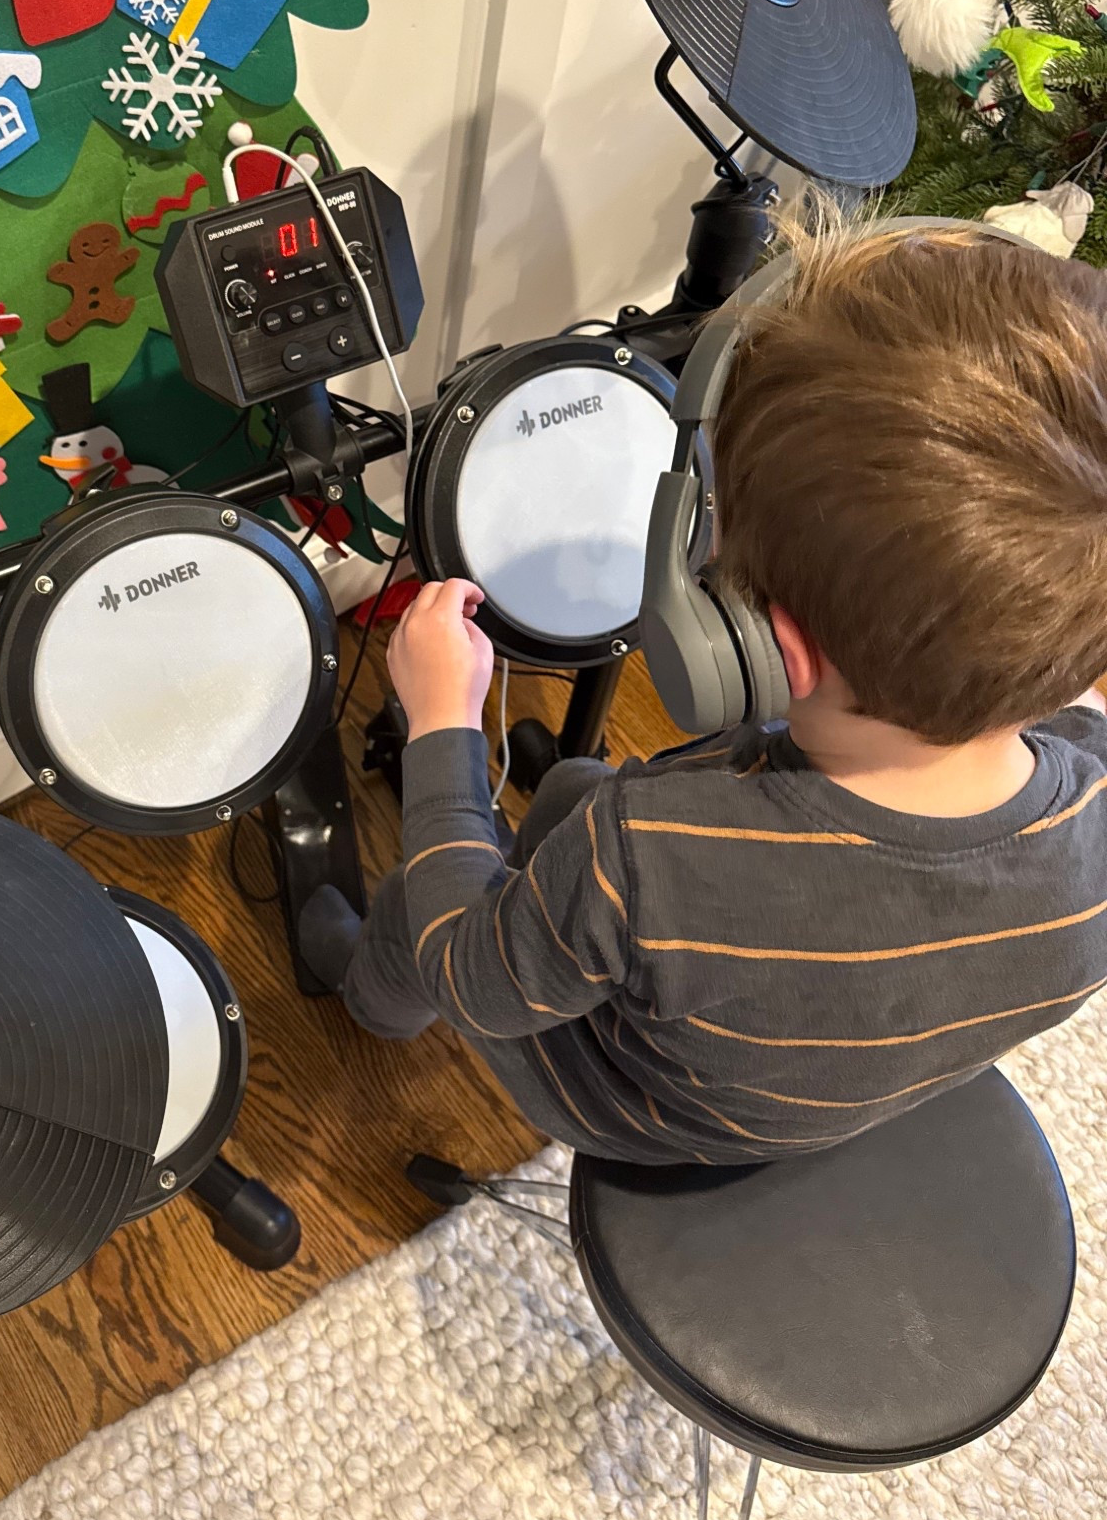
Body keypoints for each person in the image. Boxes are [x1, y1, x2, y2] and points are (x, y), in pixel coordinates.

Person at [301, 212, 1107, 1163]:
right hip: (828, 1090)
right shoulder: (1092, 801)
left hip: (641, 1106)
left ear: (758, 642)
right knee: (572, 794)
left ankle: (370, 997)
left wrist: (443, 726)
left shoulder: (649, 850)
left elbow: (472, 975)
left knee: (429, 899)